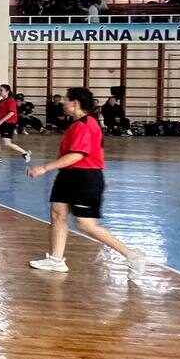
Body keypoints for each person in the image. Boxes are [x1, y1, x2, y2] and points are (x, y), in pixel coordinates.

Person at [26, 87, 145, 282]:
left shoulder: (86, 124)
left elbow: (77, 155)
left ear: (75, 103)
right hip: (68, 176)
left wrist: (44, 168)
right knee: (58, 213)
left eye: (66, 99)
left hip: (83, 177)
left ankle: (132, 255)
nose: (63, 102)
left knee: (86, 224)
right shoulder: (76, 124)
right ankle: (56, 260)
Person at [0, 84, 31, 163]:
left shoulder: (11, 101)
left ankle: (25, 153)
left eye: (1, 90)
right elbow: (0, 113)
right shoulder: (1, 101)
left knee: (7, 143)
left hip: (8, 123)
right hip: (0, 123)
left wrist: (1, 121)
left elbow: (11, 113)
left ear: (7, 91)